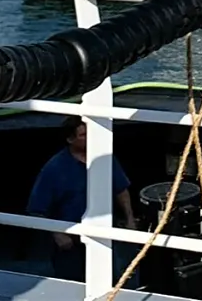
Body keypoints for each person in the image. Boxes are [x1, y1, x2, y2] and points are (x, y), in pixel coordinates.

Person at [27, 117, 136, 278]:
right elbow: (36, 208)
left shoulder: (105, 158)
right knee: (72, 282)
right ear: (70, 139)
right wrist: (58, 234)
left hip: (103, 234)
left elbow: (121, 189)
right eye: (83, 135)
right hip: (70, 240)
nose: (90, 138)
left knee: (108, 278)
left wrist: (129, 219)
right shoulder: (54, 168)